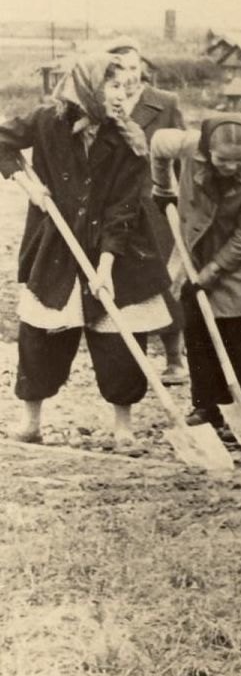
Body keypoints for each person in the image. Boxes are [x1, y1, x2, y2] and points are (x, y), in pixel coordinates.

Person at [1, 52, 172, 444]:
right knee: (42, 333)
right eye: (111, 86)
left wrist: (106, 268)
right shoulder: (46, 123)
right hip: (57, 244)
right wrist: (25, 183)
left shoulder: (129, 141)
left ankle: (123, 428)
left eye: (125, 87)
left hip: (118, 249)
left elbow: (123, 210)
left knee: (120, 336)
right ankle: (30, 423)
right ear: (87, 89)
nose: (121, 95)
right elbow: (2, 142)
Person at [148, 115, 241, 433]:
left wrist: (213, 271)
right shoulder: (186, 143)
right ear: (208, 150)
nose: (231, 167)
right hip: (199, 243)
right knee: (199, 326)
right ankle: (206, 406)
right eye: (222, 160)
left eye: (239, 161)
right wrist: (162, 185)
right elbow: (156, 145)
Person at [107, 37, 189, 386]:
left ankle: (175, 357)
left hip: (156, 204)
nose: (128, 75)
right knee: (123, 278)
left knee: (164, 279)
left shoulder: (164, 103)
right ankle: (127, 361)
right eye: (120, 67)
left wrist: (185, 204)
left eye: (133, 66)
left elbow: (183, 154)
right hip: (116, 205)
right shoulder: (104, 102)